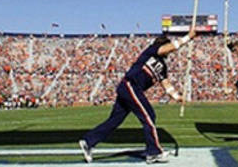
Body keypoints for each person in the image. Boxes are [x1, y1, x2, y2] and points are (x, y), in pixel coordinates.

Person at [79, 27, 195, 164]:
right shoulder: (152, 51)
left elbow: (165, 83)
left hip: (129, 89)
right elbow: (167, 48)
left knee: (114, 121)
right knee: (149, 116)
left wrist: (176, 96)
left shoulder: (162, 66)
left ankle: (89, 141)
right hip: (130, 85)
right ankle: (153, 152)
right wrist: (187, 38)